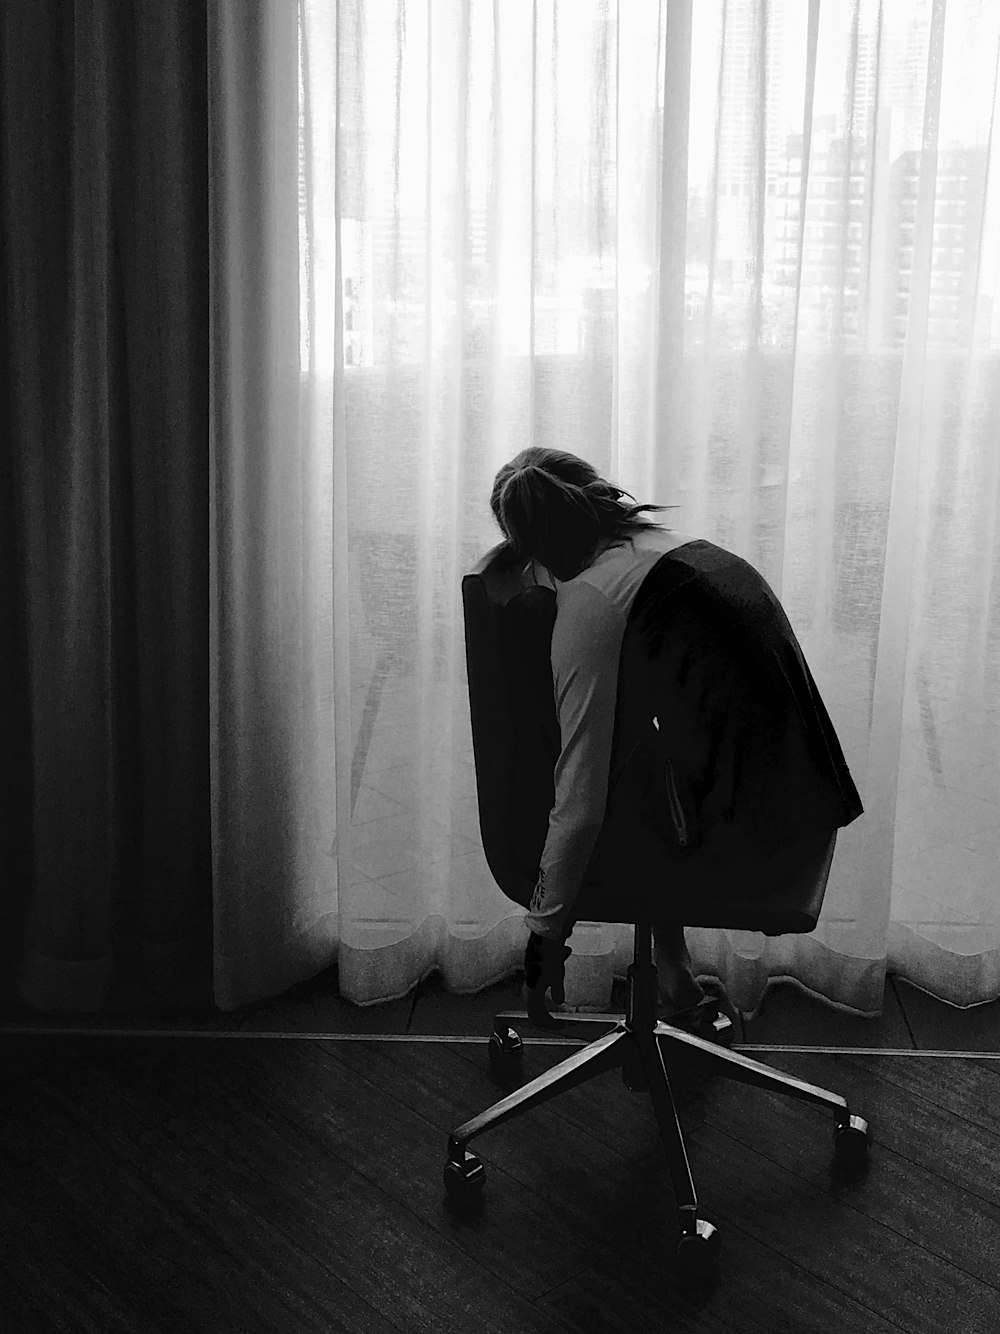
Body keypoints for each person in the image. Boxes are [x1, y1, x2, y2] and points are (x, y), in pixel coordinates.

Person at [490, 446, 719, 1031]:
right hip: (792, 790)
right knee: (644, 740)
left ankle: (672, 975)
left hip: (739, 829)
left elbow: (583, 800)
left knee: (608, 759)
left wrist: (545, 936)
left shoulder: (592, 605)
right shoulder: (655, 548)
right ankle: (674, 975)